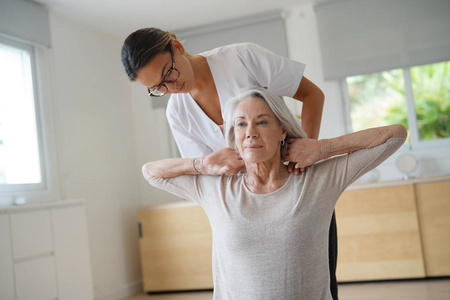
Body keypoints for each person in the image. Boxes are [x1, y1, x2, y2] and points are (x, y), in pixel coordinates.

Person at [121, 27, 334, 296]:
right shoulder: (178, 112)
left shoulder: (242, 58)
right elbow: (205, 174)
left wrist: (305, 146)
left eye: (168, 73)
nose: (172, 87)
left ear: (177, 47)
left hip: (296, 190)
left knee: (315, 281)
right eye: (158, 87)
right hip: (245, 210)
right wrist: (208, 164)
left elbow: (313, 95)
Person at [142, 87, 407, 300]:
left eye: (262, 121)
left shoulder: (319, 180)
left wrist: (324, 148)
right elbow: (150, 172)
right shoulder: (218, 188)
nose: (251, 133)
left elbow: (395, 135)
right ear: (233, 136)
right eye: (241, 125)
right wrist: (200, 164)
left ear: (282, 130)